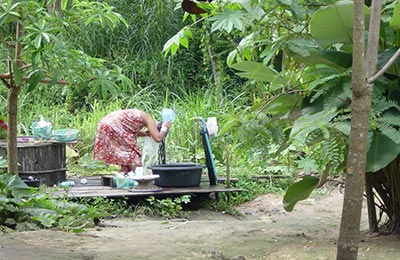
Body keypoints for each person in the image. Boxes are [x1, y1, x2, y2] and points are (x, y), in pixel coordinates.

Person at [93, 109, 172, 173]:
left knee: (126, 155)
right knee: (132, 156)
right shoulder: (149, 118)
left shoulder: (141, 115)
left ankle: (129, 177)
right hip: (113, 125)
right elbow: (158, 138)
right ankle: (139, 180)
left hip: (105, 123)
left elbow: (128, 129)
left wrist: (144, 133)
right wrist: (164, 127)